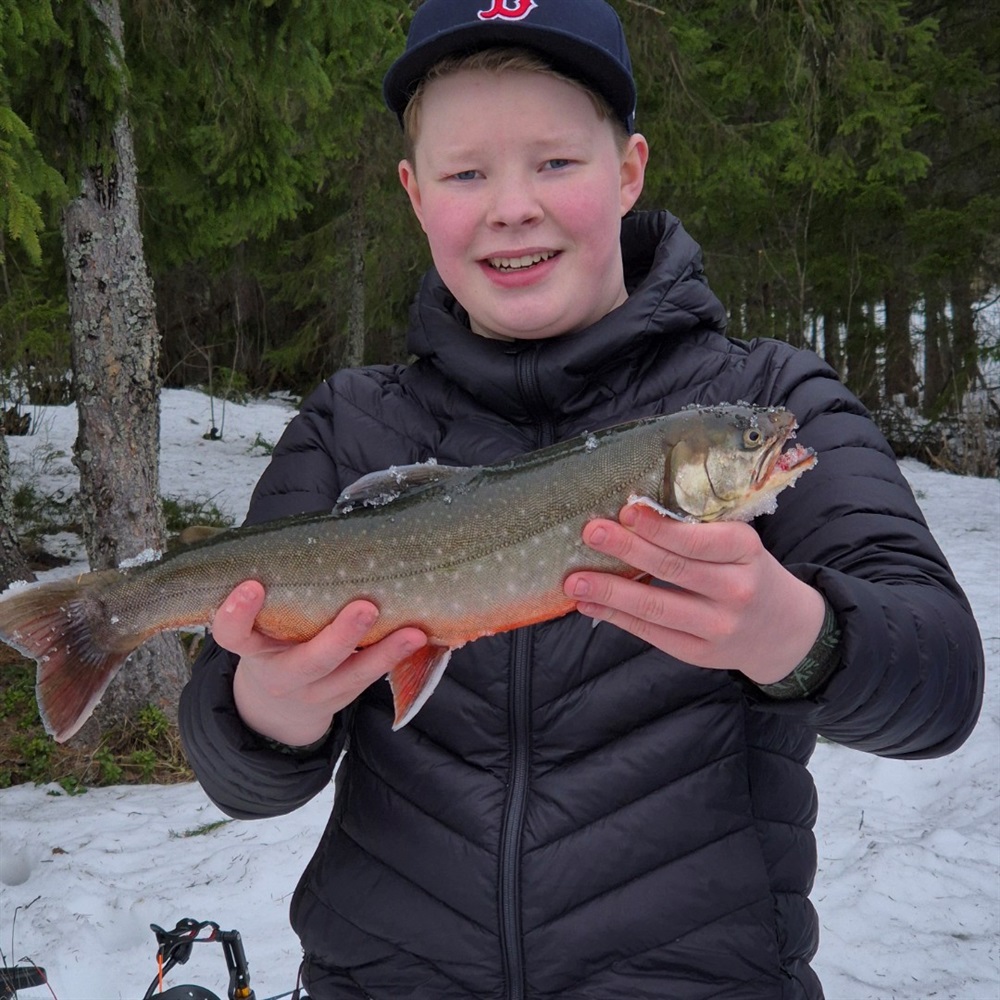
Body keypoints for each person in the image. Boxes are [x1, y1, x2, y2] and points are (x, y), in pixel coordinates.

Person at [178, 2, 985, 997]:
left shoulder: (769, 397)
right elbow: (241, 774)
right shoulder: (350, 427)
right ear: (414, 194)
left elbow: (942, 686)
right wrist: (267, 708)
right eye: (466, 174)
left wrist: (797, 635)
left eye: (555, 162)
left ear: (629, 171)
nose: (512, 206)